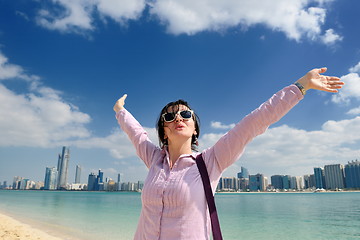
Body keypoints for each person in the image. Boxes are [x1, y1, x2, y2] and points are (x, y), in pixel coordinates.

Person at [113, 67, 344, 240]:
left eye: (185, 115)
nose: (178, 120)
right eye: (169, 117)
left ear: (195, 128)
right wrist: (120, 111)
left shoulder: (211, 161)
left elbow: (255, 121)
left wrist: (301, 86)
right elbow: (137, 134)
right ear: (163, 130)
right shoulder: (154, 159)